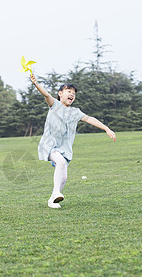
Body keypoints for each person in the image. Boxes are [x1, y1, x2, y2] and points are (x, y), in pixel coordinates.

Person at [30, 73, 116, 209]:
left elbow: (89, 119)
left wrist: (106, 129)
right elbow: (46, 95)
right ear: (60, 94)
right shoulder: (54, 105)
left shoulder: (75, 112)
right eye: (68, 92)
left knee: (63, 178)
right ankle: (56, 192)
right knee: (61, 162)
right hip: (49, 145)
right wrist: (36, 83)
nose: (72, 95)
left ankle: (53, 198)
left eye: (74, 94)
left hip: (64, 148)